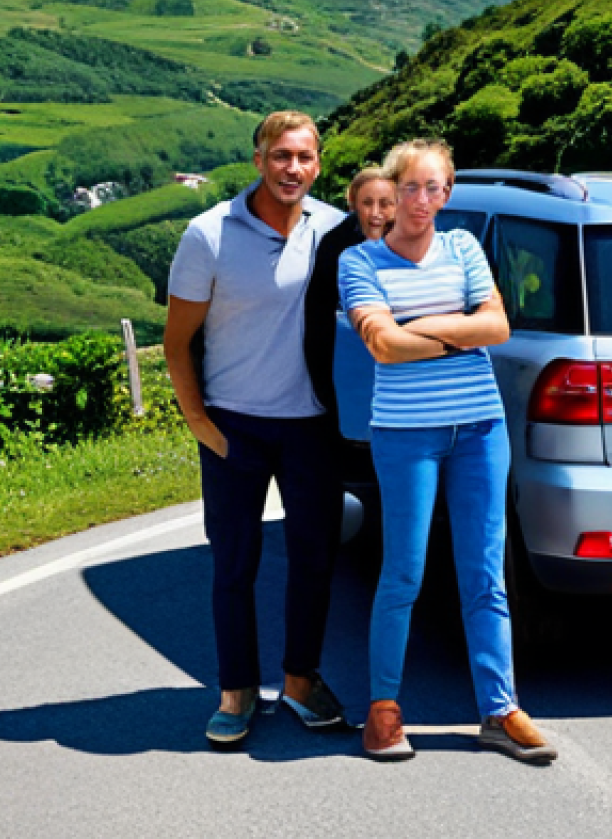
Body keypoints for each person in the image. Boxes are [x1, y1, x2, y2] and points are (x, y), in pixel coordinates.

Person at [338, 138, 557, 764]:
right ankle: (383, 711)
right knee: (403, 572)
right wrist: (457, 333)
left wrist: (418, 330)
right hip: (406, 434)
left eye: (435, 189)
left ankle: (500, 710)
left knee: (485, 577)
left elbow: (499, 327)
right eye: (411, 187)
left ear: (448, 192)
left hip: (481, 431)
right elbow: (381, 345)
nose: (422, 201)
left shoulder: (464, 247)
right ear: (392, 189)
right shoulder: (361, 261)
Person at [164, 110, 348, 747]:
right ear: (258, 160)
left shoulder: (336, 230)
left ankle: (300, 681)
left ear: (318, 163)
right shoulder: (208, 234)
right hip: (233, 426)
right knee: (234, 565)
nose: (292, 168)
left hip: (314, 427)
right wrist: (201, 426)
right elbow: (177, 342)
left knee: (314, 562)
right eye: (280, 157)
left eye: (304, 157)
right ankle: (235, 690)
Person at [303, 166, 396, 417]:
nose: (376, 213)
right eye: (367, 203)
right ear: (353, 203)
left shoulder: (412, 242)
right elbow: (317, 320)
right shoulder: (336, 246)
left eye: (385, 203)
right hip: (349, 370)